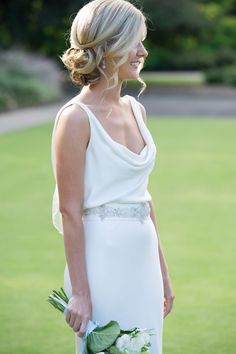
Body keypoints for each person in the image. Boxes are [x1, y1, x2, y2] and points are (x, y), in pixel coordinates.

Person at [50, 0, 175, 353]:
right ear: (107, 47)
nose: (143, 51)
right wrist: (81, 293)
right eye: (135, 41)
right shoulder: (75, 118)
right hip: (101, 261)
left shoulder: (137, 110)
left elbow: (144, 199)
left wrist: (163, 276)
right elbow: (71, 212)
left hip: (143, 258)